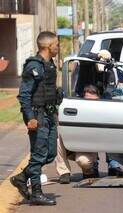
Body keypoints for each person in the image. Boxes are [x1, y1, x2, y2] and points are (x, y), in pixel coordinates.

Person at [10, 31, 61, 206]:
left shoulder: (50, 64)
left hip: (49, 114)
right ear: (48, 46)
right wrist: (30, 118)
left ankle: (21, 178)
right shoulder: (34, 66)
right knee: (38, 155)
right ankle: (37, 193)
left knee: (50, 154)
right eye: (56, 45)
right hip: (37, 115)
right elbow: (24, 95)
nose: (58, 47)